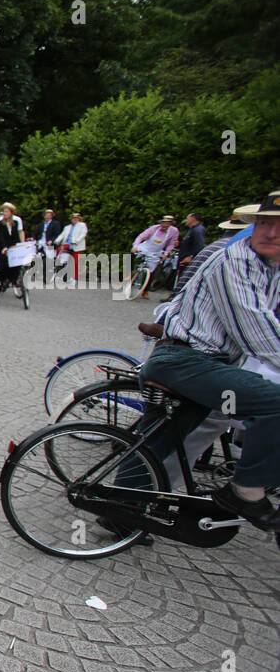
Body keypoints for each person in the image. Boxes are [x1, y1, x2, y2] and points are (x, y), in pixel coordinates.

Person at [135, 188, 280, 530]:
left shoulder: (270, 267)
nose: (271, 232)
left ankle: (123, 512)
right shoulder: (237, 262)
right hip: (188, 360)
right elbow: (259, 334)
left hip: (201, 361)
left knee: (161, 440)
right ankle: (245, 490)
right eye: (264, 223)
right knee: (274, 403)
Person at [131, 214, 179, 297]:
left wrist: (166, 253)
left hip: (156, 252)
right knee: (131, 255)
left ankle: (145, 291)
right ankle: (131, 272)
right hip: (145, 248)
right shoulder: (154, 228)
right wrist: (135, 246)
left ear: (170, 224)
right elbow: (141, 237)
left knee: (151, 271)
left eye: (167, 223)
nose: (165, 225)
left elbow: (171, 244)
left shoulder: (174, 231)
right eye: (164, 223)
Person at [167, 212, 207, 301]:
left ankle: (178, 299)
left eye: (187, 218)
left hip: (188, 260)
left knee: (184, 279)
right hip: (183, 258)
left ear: (193, 219)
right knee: (180, 278)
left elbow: (199, 246)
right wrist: (180, 245)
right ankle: (174, 297)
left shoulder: (198, 230)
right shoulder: (192, 230)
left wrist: (191, 257)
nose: (186, 220)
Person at [0, 202, 26, 292]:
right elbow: (0, 237)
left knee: (17, 263)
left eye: (6, 211)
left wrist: (19, 246)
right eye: (4, 211)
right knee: (3, 263)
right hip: (0, 247)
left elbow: (16, 236)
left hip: (11, 247)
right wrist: (4, 248)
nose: (4, 213)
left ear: (11, 213)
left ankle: (12, 279)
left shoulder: (15, 223)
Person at [56, 211, 87, 284]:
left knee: (76, 262)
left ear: (79, 219)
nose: (75, 219)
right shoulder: (67, 227)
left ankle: (74, 278)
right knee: (59, 249)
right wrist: (56, 241)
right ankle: (60, 264)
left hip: (77, 245)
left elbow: (83, 234)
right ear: (71, 219)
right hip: (68, 244)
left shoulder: (82, 225)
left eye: (76, 218)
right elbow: (62, 235)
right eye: (73, 218)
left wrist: (77, 240)